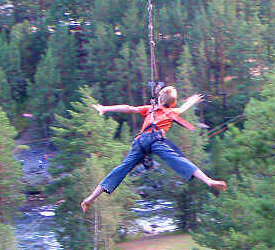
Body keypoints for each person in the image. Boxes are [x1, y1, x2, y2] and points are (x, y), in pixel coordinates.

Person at [80, 87, 226, 212]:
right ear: (172, 103)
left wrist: (105, 108)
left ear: (160, 98)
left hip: (140, 142)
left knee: (121, 169)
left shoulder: (150, 109)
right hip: (156, 140)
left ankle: (90, 198)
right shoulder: (172, 112)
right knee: (178, 160)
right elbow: (183, 108)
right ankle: (208, 181)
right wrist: (193, 100)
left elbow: (129, 108)